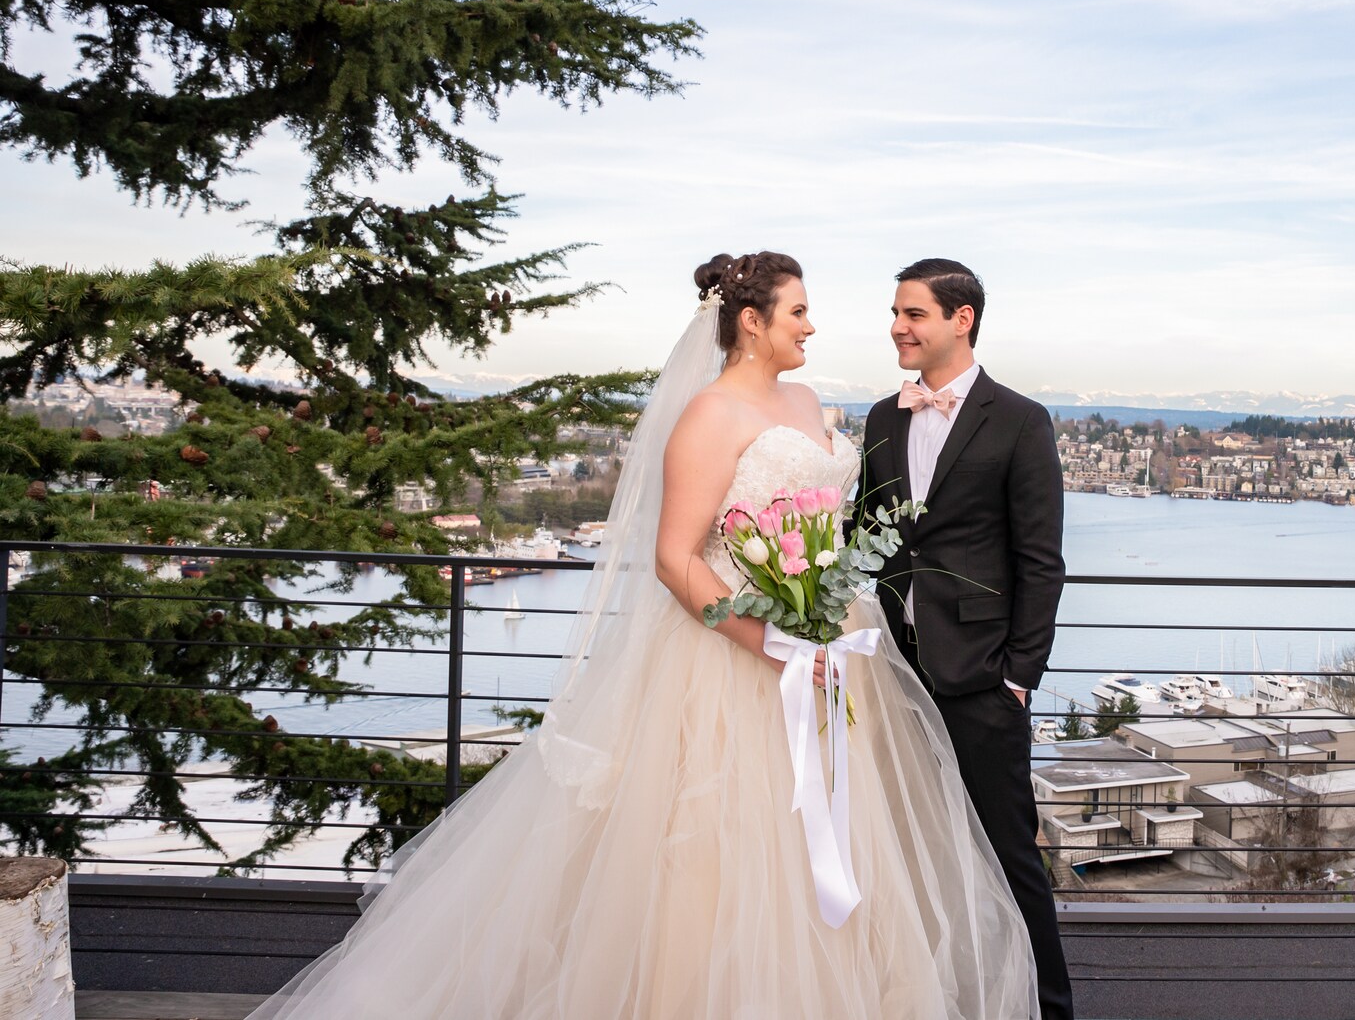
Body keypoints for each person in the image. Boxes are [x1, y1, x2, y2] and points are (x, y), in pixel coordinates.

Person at [251, 251, 1035, 1020]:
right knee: (724, 855)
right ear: (754, 322)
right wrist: (765, 638)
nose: (813, 325)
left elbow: (844, 524)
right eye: (799, 311)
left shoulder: (811, 405)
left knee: (836, 842)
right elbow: (673, 557)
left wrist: (820, 618)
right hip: (734, 657)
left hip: (832, 646)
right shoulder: (707, 415)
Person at [858, 259, 1074, 1020]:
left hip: (982, 679)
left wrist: (1019, 675)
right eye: (895, 311)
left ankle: (1048, 1010)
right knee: (913, 854)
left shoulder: (1020, 419)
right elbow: (869, 538)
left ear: (962, 319)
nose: (897, 326)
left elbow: (1041, 560)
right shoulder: (883, 417)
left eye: (912, 313)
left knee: (1011, 860)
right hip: (894, 671)